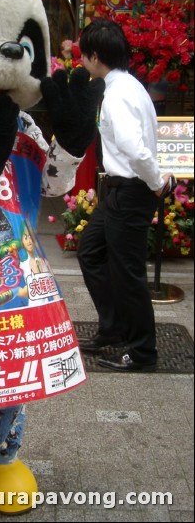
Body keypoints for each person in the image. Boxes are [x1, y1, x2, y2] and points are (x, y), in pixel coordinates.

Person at [76, 19, 174, 372]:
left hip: (130, 190)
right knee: (90, 252)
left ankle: (143, 352)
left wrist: (156, 182)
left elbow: (136, 149)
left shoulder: (118, 94)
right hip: (120, 192)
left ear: (95, 56)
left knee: (127, 273)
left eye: (84, 54)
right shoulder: (129, 86)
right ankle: (114, 327)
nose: (81, 60)